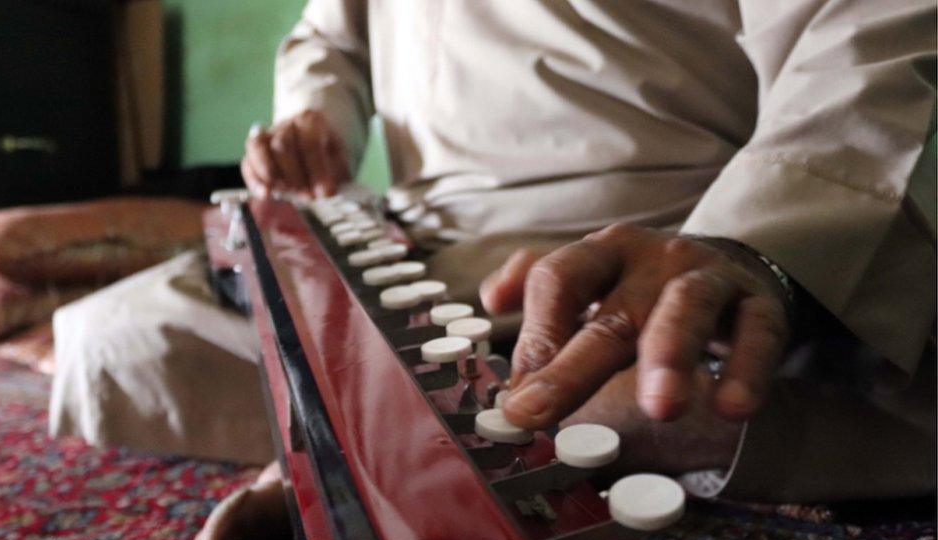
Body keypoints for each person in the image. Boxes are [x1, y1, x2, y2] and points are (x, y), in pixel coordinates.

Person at [238, 0, 936, 502]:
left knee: (711, 376)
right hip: (426, 243)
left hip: (656, 233)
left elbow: (863, 23)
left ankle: (418, 450)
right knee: (135, 336)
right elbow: (330, 39)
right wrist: (314, 115)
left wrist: (753, 243)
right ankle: (470, 436)